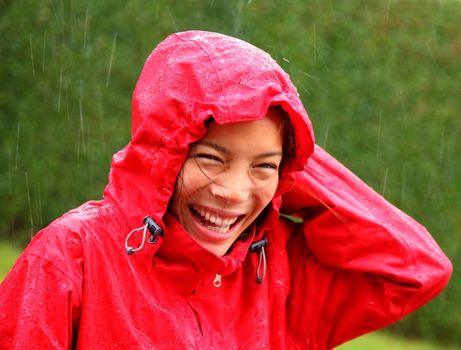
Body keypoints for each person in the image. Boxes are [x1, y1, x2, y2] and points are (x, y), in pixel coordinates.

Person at [0, 31, 452, 349]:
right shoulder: (72, 255)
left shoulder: (280, 272)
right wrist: (264, 162)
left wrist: (290, 164)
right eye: (211, 158)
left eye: (264, 166)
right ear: (163, 151)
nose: (234, 192)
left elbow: (416, 268)